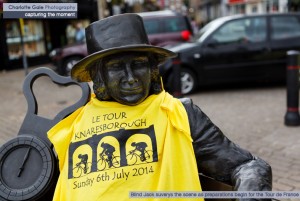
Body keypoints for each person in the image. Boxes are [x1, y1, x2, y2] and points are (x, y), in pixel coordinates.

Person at [47, 14, 272, 201]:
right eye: (116, 68)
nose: (131, 78)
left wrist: (249, 193)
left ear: (153, 70)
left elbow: (247, 166)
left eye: (138, 65)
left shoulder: (180, 115)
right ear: (100, 77)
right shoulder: (73, 126)